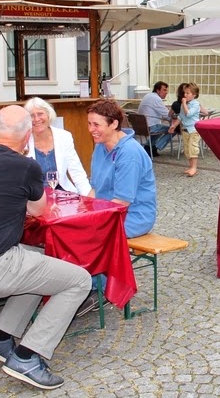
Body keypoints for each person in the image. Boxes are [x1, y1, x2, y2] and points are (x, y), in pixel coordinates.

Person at [0, 105, 91, 390]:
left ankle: (0, 337)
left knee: (39, 258)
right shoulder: (26, 166)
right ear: (27, 138)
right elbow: (38, 209)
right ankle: (28, 356)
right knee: (79, 281)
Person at [77, 99, 156, 314]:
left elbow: (121, 203)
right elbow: (95, 189)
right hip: (107, 211)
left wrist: (91, 220)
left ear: (113, 124)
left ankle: (99, 289)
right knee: (72, 230)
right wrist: (81, 211)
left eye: (96, 124)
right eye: (89, 124)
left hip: (134, 215)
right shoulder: (101, 146)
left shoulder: (129, 153)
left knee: (92, 236)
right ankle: (81, 285)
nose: (91, 129)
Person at [24, 97, 92, 195]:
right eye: (32, 116)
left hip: (63, 195)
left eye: (40, 114)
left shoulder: (64, 136)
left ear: (48, 115)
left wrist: (89, 198)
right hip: (35, 197)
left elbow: (77, 172)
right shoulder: (23, 140)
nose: (36, 119)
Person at [137, 81, 174, 156]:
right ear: (157, 90)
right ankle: (157, 146)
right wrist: (178, 118)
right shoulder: (156, 99)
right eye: (164, 90)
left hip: (141, 127)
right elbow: (167, 116)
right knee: (174, 129)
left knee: (159, 126)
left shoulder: (148, 96)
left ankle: (149, 147)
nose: (166, 92)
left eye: (167, 90)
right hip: (150, 127)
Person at [179, 82, 202, 177]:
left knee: (193, 147)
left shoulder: (196, 104)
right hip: (185, 129)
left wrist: (184, 104)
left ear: (194, 95)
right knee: (187, 148)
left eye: (188, 93)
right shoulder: (184, 104)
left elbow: (188, 114)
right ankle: (191, 166)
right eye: (184, 93)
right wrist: (173, 126)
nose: (185, 95)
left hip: (194, 129)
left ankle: (194, 168)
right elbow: (181, 116)